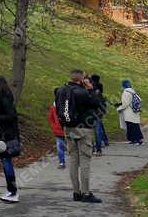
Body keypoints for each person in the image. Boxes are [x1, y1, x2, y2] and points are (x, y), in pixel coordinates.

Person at [58, 69, 105, 203]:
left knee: (73, 160)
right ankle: (86, 193)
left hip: (68, 128)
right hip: (83, 128)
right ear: (81, 79)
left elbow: (58, 109)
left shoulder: (61, 90)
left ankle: (76, 192)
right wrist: (91, 89)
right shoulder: (84, 93)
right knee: (85, 160)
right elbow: (99, 104)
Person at [117, 79, 144, 145]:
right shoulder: (133, 91)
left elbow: (125, 103)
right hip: (135, 111)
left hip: (129, 112)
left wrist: (119, 108)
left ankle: (134, 140)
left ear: (123, 85)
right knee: (136, 126)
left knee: (131, 127)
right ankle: (139, 140)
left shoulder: (125, 92)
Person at [90, 74, 110, 155]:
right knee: (98, 129)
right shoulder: (99, 91)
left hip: (93, 114)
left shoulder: (92, 93)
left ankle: (97, 147)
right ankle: (103, 143)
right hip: (97, 113)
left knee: (96, 131)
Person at [47, 88, 65, 169]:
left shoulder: (67, 104)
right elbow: (50, 118)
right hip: (59, 130)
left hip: (68, 129)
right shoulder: (53, 107)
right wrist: (54, 127)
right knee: (60, 146)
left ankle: (75, 161)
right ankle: (62, 162)